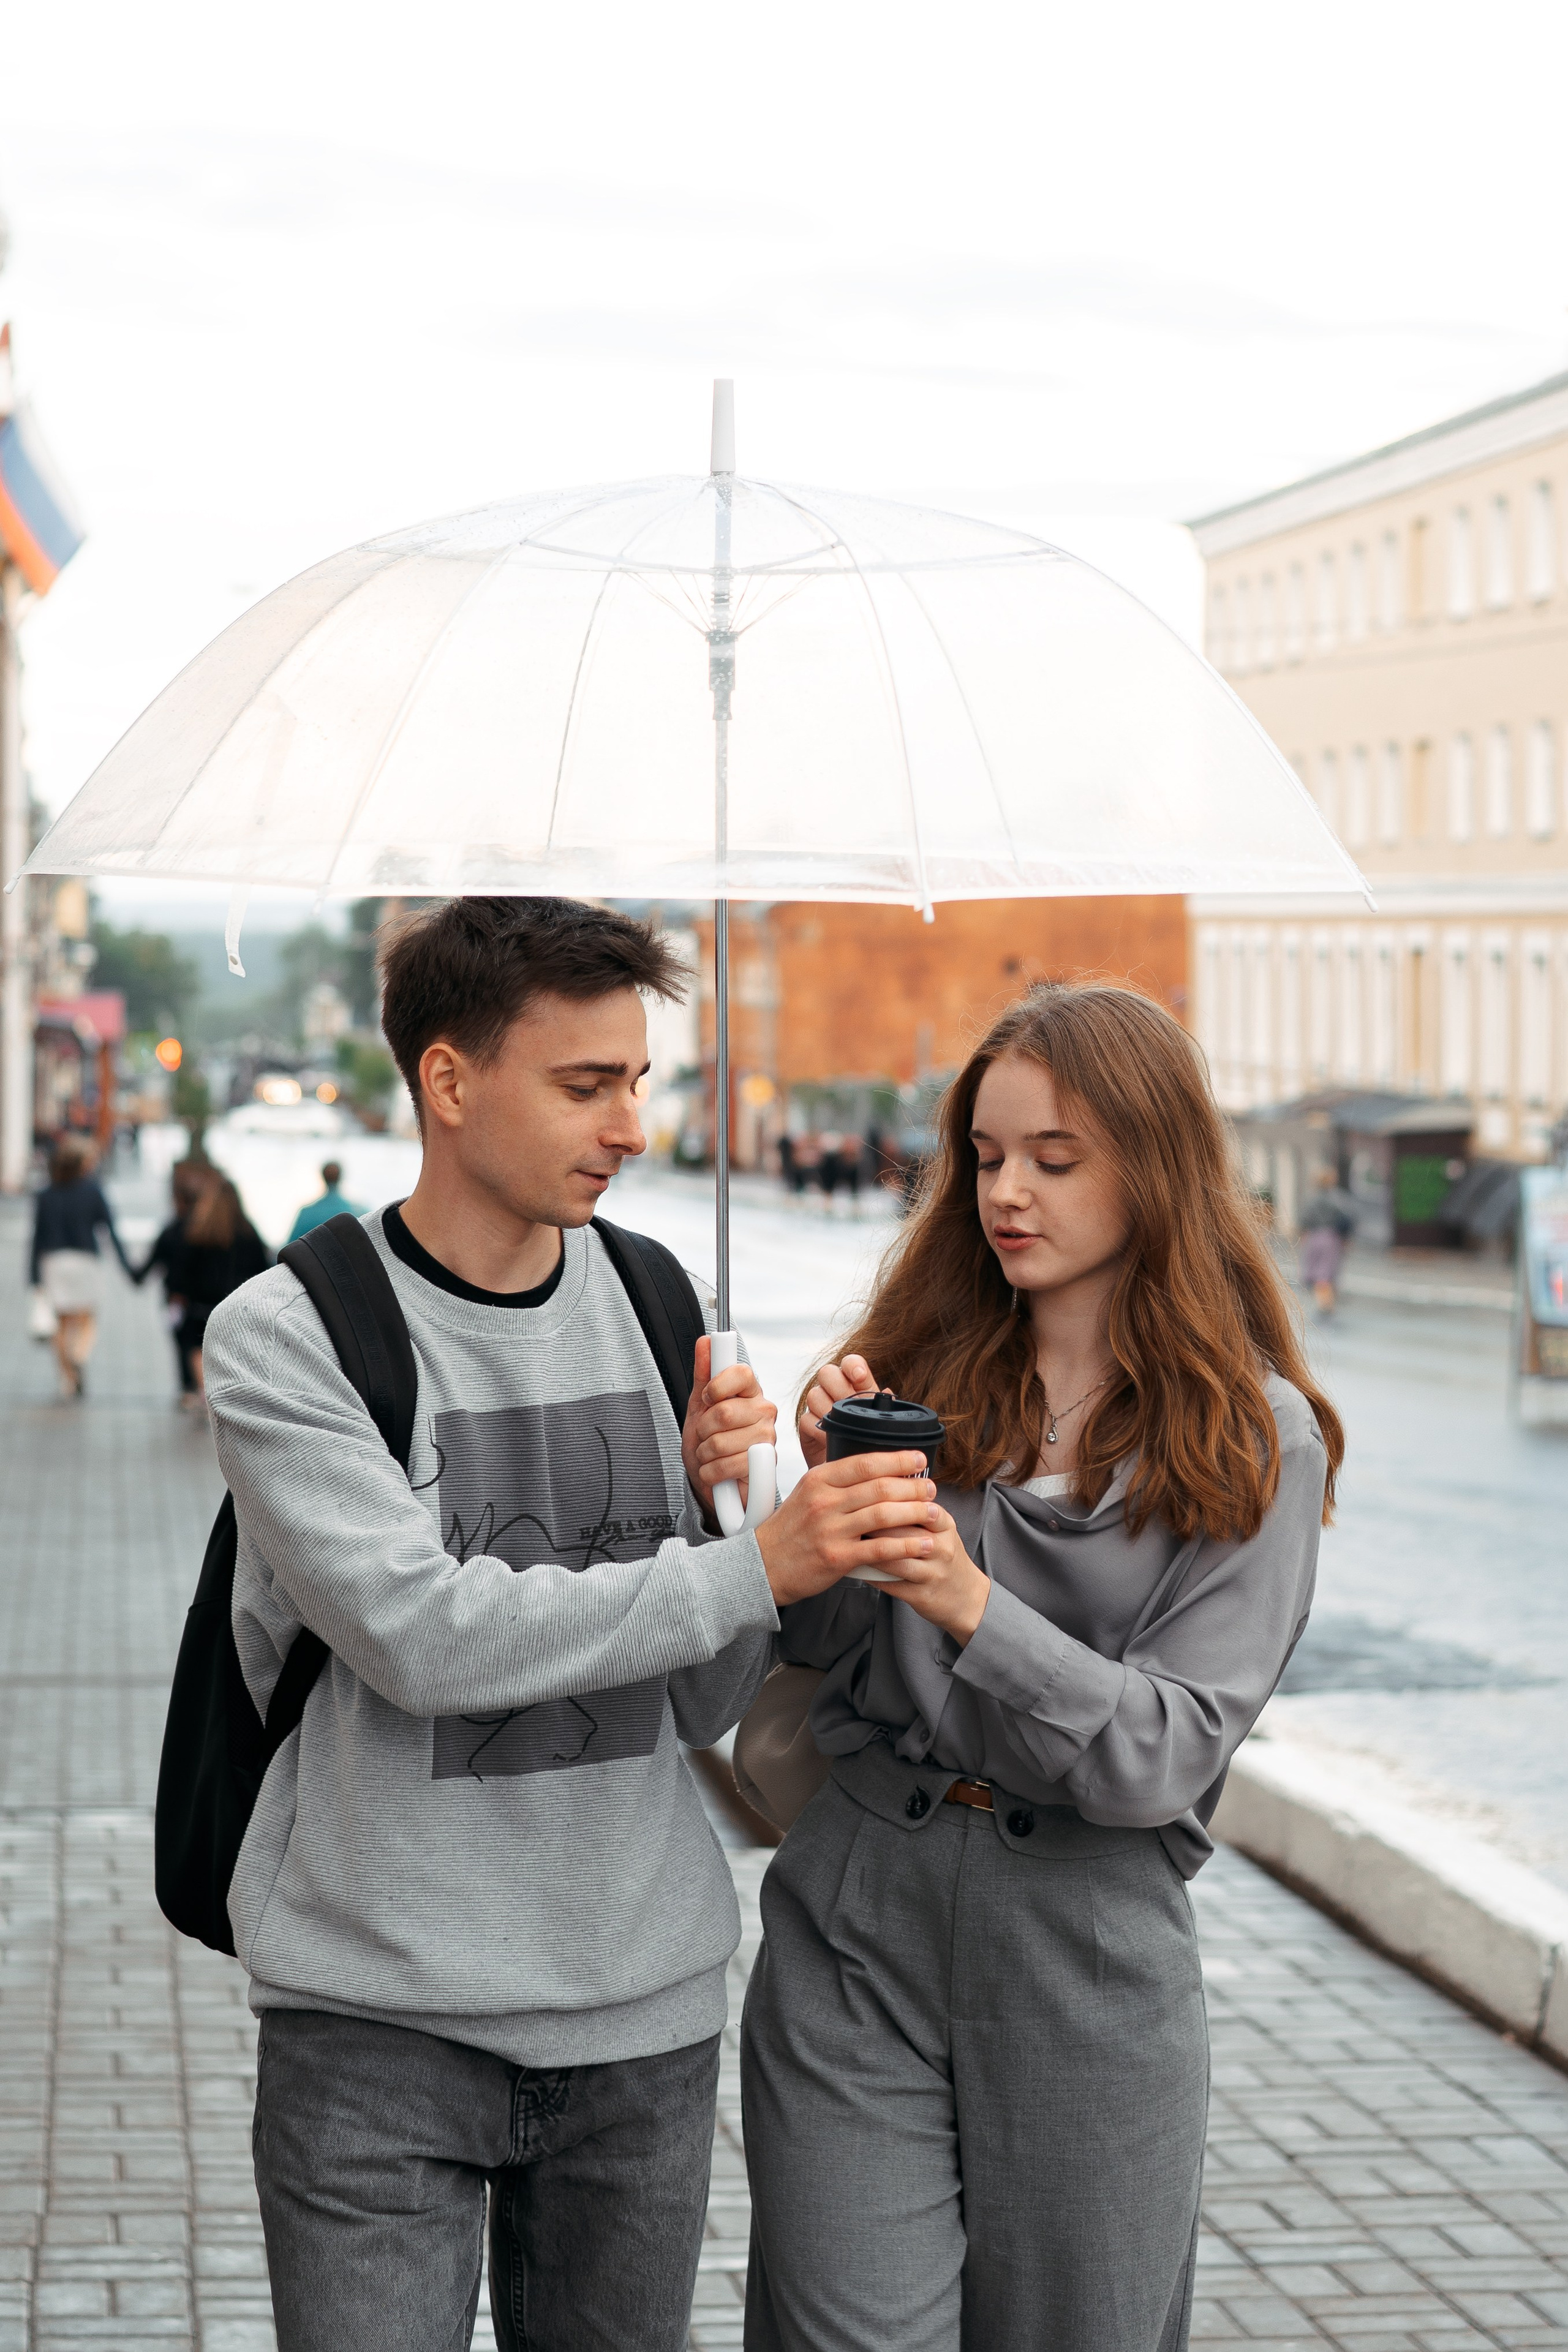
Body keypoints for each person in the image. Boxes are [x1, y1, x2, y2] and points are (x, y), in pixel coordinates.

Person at [200, 895, 932, 2352]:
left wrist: (746, 1505)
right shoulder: (287, 1336)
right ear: (451, 1082)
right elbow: (419, 1634)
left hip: (639, 2020)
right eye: (585, 1084)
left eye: (638, 1080)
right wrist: (750, 1562)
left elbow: (700, 1698)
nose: (632, 1126)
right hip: (378, 2018)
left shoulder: (664, 1299)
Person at [740, 982, 1345, 2352]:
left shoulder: (1257, 1438)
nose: (1007, 1191)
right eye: (988, 1156)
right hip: (856, 1910)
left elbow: (1161, 1752)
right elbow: (822, 1653)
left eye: (1053, 1161)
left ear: (1156, 1166)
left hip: (1084, 1940)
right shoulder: (917, 1372)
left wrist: (965, 1597)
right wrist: (792, 1498)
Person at [29, 1134, 134, 1399]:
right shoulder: (93, 1191)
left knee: (61, 1323)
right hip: (85, 1260)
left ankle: (67, 1380)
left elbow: (37, 1237)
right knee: (87, 1318)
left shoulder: (45, 1194)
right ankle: (79, 1355)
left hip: (54, 1262)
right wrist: (128, 1267)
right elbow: (110, 1230)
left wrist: (33, 1275)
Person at [171, 1170, 271, 1401]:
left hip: (200, 1303)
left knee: (198, 1347)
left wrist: (179, 1294)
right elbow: (264, 1269)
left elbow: (183, 1268)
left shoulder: (198, 1231)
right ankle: (222, 1395)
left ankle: (205, 1393)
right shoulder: (249, 1232)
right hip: (237, 1303)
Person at [134, 1156, 210, 1400]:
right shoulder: (211, 1231)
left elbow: (150, 1266)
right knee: (205, 1347)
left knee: (184, 1345)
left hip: (177, 1300)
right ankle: (201, 1389)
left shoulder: (172, 1230)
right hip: (206, 1299)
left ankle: (188, 1389)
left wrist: (134, 1274)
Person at [1298, 1166, 1355, 1317]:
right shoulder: (1338, 1200)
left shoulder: (1312, 1200)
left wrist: (1305, 1238)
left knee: (1317, 1271)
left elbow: (1304, 1221)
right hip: (1332, 1238)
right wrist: (1345, 1239)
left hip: (1315, 1238)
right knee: (1327, 1272)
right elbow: (1347, 1219)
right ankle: (1326, 1303)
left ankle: (1324, 1303)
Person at [286, 1159, 364, 1242]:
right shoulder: (359, 1212)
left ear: (322, 1177)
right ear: (341, 1177)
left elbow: (289, 1246)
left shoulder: (307, 1213)